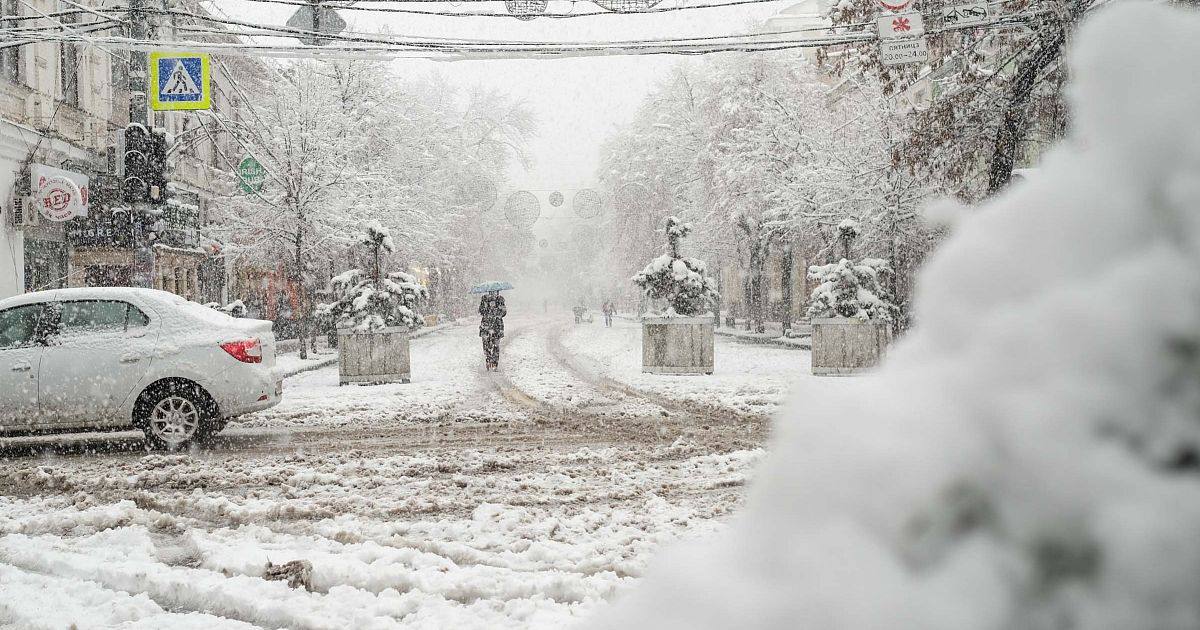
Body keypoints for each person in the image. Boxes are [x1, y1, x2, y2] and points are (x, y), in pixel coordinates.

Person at [479, 290, 507, 371]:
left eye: (495, 292)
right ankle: (488, 360)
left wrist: (496, 309)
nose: (493, 293)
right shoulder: (484, 299)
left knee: (496, 345)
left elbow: (504, 313)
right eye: (492, 292)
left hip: (496, 325)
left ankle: (494, 363)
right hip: (486, 325)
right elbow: (481, 311)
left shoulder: (500, 299)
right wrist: (487, 308)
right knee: (486, 344)